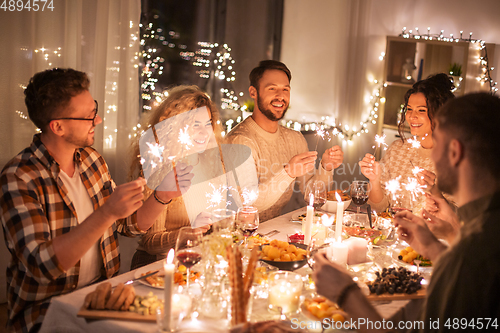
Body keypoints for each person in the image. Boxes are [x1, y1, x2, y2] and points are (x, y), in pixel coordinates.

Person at [0, 68, 192, 333]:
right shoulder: (19, 178)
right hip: (47, 311)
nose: (98, 120)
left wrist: (162, 196)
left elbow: (128, 225)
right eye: (89, 116)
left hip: (104, 295)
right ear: (58, 126)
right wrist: (107, 213)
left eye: (96, 109)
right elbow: (41, 265)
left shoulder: (91, 160)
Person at [314, 93, 500, 332]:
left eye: (438, 144)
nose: (432, 154)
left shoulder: (475, 252)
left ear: (455, 152)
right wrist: (433, 246)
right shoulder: (483, 228)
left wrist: (347, 294)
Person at [129, 85, 250, 269]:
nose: (204, 132)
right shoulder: (161, 170)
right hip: (159, 267)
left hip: (198, 262)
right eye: (195, 125)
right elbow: (149, 243)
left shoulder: (213, 163)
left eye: (208, 123)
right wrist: (187, 233)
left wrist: (233, 215)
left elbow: (219, 220)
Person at [225, 60, 344, 222]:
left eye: (285, 89)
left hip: (270, 233)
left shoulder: (295, 139)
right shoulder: (239, 141)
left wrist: (326, 167)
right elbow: (247, 203)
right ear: (253, 92)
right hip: (235, 235)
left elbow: (312, 195)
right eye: (272, 89)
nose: (280, 96)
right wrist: (288, 173)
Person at [359, 73, 455, 216]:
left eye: (421, 110)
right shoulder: (397, 149)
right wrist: (374, 180)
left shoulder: (455, 160)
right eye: (409, 109)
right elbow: (378, 208)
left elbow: (461, 219)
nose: (411, 116)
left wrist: (436, 194)